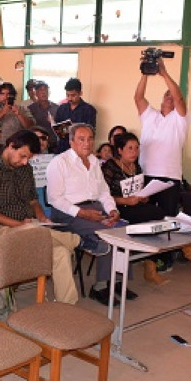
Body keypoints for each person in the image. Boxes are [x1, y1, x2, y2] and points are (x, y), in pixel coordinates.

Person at [0, 130, 86, 305]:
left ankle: (67, 306)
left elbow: (33, 200)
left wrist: (42, 217)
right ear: (11, 146)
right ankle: (71, 239)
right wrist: (19, 224)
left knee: (60, 253)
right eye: (22, 156)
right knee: (33, 230)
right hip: (1, 230)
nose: (24, 162)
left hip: (30, 226)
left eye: (28, 158)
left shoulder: (25, 169)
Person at [46, 124, 132, 306]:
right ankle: (99, 287)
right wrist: (83, 213)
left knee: (124, 229)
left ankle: (116, 282)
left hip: (94, 209)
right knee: (108, 234)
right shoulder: (59, 162)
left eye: (90, 139)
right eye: (81, 139)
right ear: (71, 142)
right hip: (67, 213)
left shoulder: (94, 161)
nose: (87, 143)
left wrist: (112, 210)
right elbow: (54, 199)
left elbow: (103, 192)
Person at [101, 132, 169, 286]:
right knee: (153, 216)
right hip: (116, 206)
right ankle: (149, 263)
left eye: (137, 148)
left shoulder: (136, 166)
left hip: (135, 204)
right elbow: (102, 195)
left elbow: (139, 189)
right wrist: (125, 200)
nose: (134, 152)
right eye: (130, 148)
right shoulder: (109, 166)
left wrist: (144, 196)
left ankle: (150, 262)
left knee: (159, 212)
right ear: (120, 150)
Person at [134, 57, 187, 218]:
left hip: (169, 178)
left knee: (167, 220)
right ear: (162, 98)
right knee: (144, 217)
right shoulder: (150, 115)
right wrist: (145, 73)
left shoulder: (180, 118)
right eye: (167, 94)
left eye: (173, 94)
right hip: (146, 173)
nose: (170, 96)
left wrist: (163, 73)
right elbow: (138, 98)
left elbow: (178, 97)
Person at [54, 78, 98, 153]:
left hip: (80, 148)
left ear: (80, 93)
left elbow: (91, 131)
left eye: (73, 95)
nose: (70, 98)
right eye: (67, 95)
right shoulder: (62, 108)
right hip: (62, 147)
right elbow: (57, 128)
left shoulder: (89, 110)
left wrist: (74, 126)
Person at [27, 81, 59, 152]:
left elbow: (61, 128)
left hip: (53, 143)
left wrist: (54, 122)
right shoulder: (30, 108)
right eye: (41, 90)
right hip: (37, 143)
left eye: (46, 90)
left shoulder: (57, 108)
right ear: (36, 93)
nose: (44, 92)